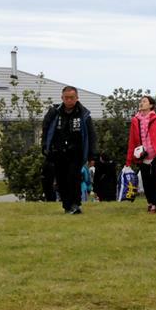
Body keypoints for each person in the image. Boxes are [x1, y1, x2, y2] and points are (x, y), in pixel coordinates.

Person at [42, 86, 97, 215]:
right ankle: (67, 206)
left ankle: (76, 204)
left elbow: (91, 135)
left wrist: (92, 156)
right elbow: (46, 130)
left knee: (74, 178)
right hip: (58, 152)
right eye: (66, 98)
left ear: (77, 98)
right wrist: (45, 147)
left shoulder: (84, 114)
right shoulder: (54, 112)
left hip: (76, 153)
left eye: (71, 98)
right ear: (62, 98)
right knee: (61, 180)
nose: (69, 100)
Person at [125, 95, 156, 213]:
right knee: (145, 181)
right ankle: (149, 202)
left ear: (151, 105)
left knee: (154, 180)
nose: (141, 103)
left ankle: (154, 204)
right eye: (141, 101)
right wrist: (129, 160)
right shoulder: (135, 120)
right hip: (142, 156)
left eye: (144, 101)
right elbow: (132, 141)